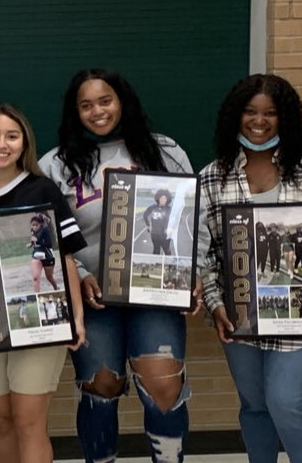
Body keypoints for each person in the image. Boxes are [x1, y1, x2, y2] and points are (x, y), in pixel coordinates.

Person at [37, 69, 194, 462]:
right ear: (74, 112)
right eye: (86, 105)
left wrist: (195, 277)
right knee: (101, 387)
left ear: (122, 101)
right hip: (93, 298)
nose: (97, 111)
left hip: (155, 290)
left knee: (163, 385)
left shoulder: (165, 152)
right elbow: (44, 236)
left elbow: (196, 218)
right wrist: (83, 276)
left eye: (105, 101)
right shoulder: (55, 165)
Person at [199, 74, 302, 463]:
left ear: (286, 118)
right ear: (236, 116)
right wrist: (216, 304)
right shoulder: (213, 177)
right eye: (250, 111)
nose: (259, 121)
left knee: (287, 401)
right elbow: (206, 256)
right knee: (254, 406)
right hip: (241, 318)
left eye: (271, 113)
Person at [0, 102, 86, 462]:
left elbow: (67, 257)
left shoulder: (44, 191)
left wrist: (77, 320)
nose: (1, 144)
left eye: (12, 136)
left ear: (25, 143)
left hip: (40, 322)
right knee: (3, 420)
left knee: (28, 421)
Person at [28, 214, 59, 293]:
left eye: (36, 225)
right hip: (36, 255)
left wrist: (37, 241)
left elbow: (49, 244)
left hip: (47, 256)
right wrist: (31, 244)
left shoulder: (45, 230)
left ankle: (56, 287)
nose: (34, 227)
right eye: (33, 225)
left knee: (49, 277)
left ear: (41, 224)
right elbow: (34, 240)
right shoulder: (32, 231)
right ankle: (37, 294)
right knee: (35, 278)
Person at [143, 189, 175, 256]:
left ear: (167, 199)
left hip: (165, 235)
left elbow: (178, 219)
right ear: (158, 198)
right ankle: (155, 265)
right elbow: (145, 215)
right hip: (154, 234)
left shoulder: (169, 209)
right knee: (156, 250)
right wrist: (148, 226)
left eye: (165, 198)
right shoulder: (153, 207)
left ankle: (170, 265)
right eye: (161, 198)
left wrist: (171, 228)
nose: (163, 200)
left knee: (167, 251)